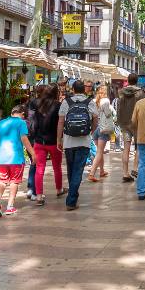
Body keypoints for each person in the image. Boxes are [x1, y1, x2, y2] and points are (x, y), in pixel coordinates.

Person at [57, 80, 98, 210]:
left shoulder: (66, 102)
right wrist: (90, 132)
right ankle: (72, 199)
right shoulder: (89, 102)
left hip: (69, 142)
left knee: (71, 169)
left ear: (73, 89)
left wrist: (59, 139)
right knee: (78, 170)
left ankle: (72, 196)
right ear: (84, 90)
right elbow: (96, 119)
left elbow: (61, 122)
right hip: (84, 141)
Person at [0, 105, 36, 217]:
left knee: (2, 181)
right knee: (14, 182)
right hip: (16, 158)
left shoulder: (2, 122)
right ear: (22, 114)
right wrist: (33, 153)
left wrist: (0, 141)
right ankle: (10, 207)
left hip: (3, 158)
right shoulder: (21, 123)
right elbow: (24, 139)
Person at [31, 84, 67, 206]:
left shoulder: (37, 103)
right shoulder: (58, 105)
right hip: (53, 141)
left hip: (39, 141)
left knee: (39, 169)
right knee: (57, 167)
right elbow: (60, 124)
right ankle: (59, 189)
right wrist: (59, 139)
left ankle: (39, 196)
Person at [116, 74, 145, 182]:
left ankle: (125, 173)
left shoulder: (121, 93)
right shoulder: (140, 93)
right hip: (137, 123)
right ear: (137, 81)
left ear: (128, 80)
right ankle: (135, 168)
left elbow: (118, 108)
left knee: (126, 147)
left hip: (124, 123)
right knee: (138, 146)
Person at [89, 85, 115, 182]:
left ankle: (102, 171)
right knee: (100, 152)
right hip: (103, 129)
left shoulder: (94, 101)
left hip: (96, 129)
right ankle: (92, 173)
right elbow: (108, 114)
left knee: (100, 151)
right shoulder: (106, 101)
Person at [26, 85, 46, 201]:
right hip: (38, 137)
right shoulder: (44, 104)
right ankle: (34, 191)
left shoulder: (31, 102)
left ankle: (30, 187)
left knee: (33, 162)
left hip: (29, 135)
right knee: (37, 164)